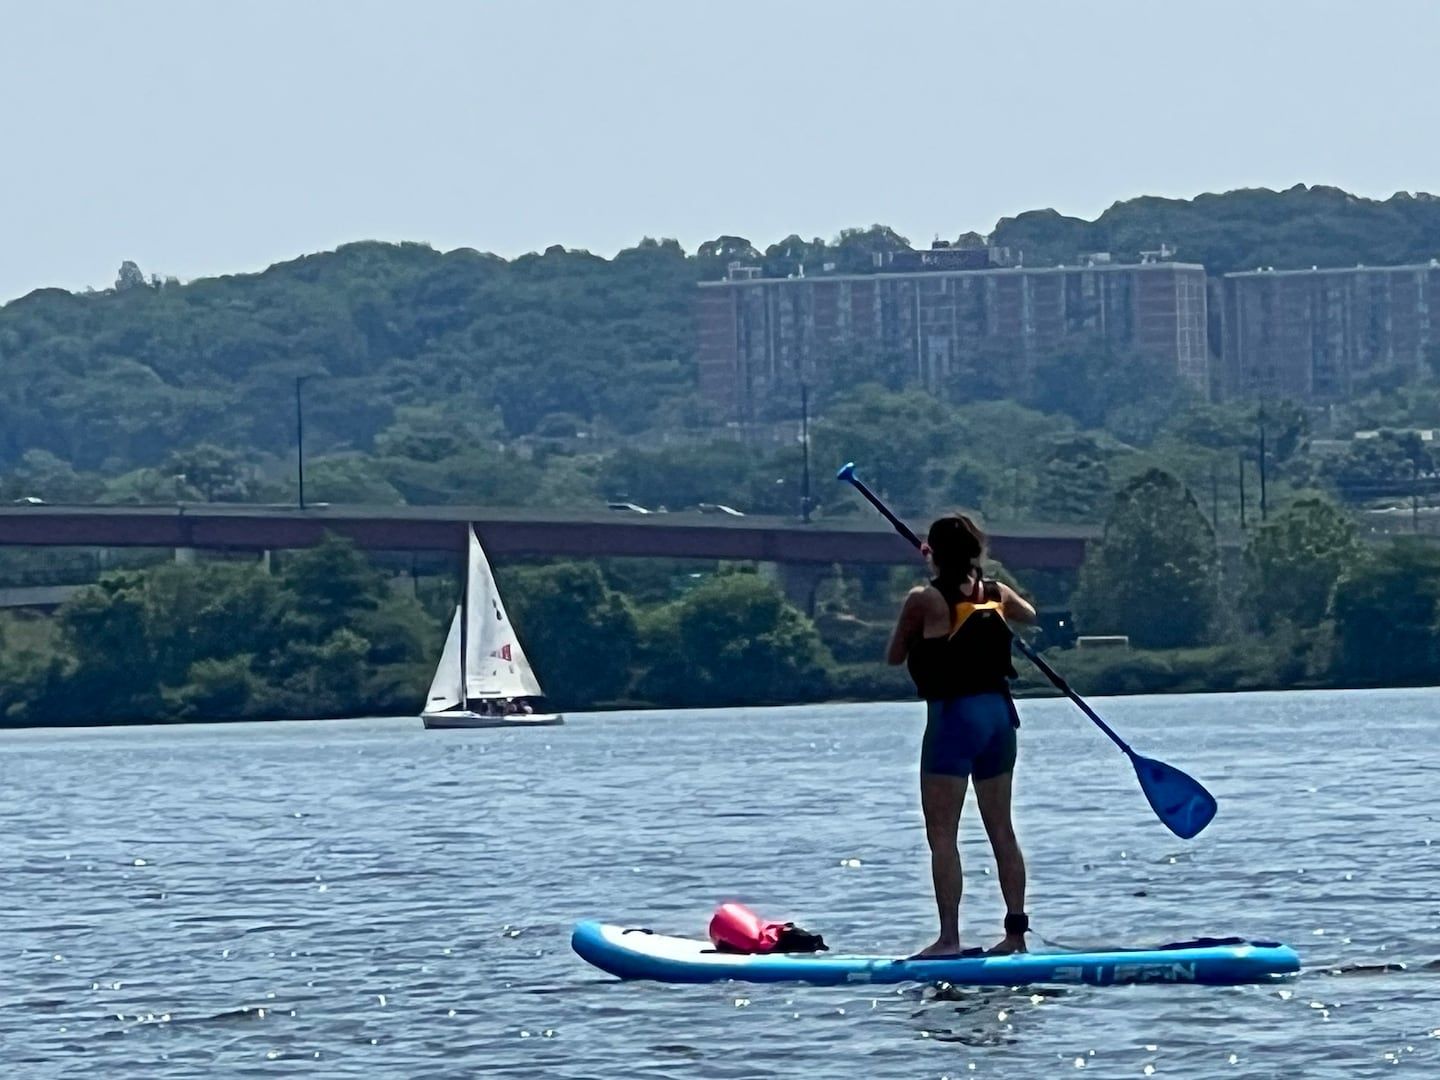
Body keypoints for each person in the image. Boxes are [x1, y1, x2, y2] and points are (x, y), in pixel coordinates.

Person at [886, 512, 1037, 958]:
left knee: (943, 835)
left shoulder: (923, 599)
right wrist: (989, 597)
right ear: (976, 550)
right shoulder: (996, 592)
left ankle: (949, 939)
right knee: (1002, 831)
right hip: (998, 718)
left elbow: (895, 656)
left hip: (955, 720)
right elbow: (1028, 615)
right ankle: (1015, 936)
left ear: (932, 553)